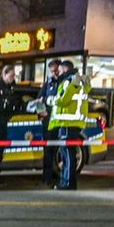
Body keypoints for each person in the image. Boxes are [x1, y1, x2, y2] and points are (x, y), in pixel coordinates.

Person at [46, 59, 91, 190]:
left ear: (65, 69)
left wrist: (49, 100)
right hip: (73, 122)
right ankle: (67, 181)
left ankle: (68, 182)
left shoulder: (69, 81)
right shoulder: (79, 81)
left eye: (59, 70)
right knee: (68, 153)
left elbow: (62, 100)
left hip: (67, 122)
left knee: (68, 154)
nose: (58, 73)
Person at [38, 60, 65, 187]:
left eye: (56, 70)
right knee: (48, 151)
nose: (54, 73)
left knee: (59, 151)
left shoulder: (65, 82)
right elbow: (39, 99)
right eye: (52, 71)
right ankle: (47, 177)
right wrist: (41, 113)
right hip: (48, 123)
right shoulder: (48, 83)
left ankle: (59, 176)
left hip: (61, 122)